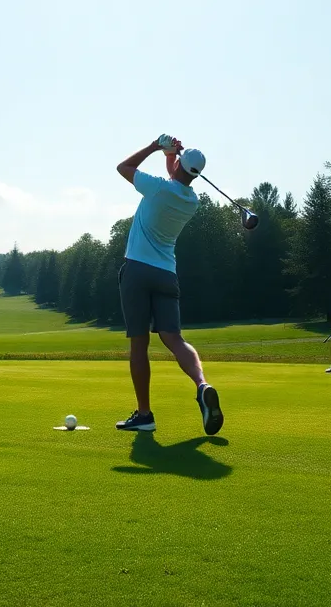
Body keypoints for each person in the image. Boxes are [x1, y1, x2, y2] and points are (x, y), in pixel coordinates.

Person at [113, 135, 223, 435]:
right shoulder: (192, 201)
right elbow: (177, 175)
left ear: (179, 167)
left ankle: (145, 415)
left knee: (139, 343)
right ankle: (202, 384)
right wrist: (171, 154)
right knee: (175, 339)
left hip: (137, 270)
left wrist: (154, 147)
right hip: (167, 274)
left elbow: (123, 167)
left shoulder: (158, 188)